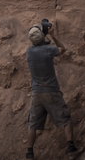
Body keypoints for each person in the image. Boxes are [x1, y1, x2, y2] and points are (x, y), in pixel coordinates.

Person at [24, 20, 77, 157]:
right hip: (51, 91)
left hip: (36, 93)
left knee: (33, 125)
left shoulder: (29, 52)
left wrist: (41, 36)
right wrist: (52, 35)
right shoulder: (49, 50)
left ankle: (29, 154)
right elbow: (63, 49)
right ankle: (71, 150)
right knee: (65, 119)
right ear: (42, 37)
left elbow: (37, 42)